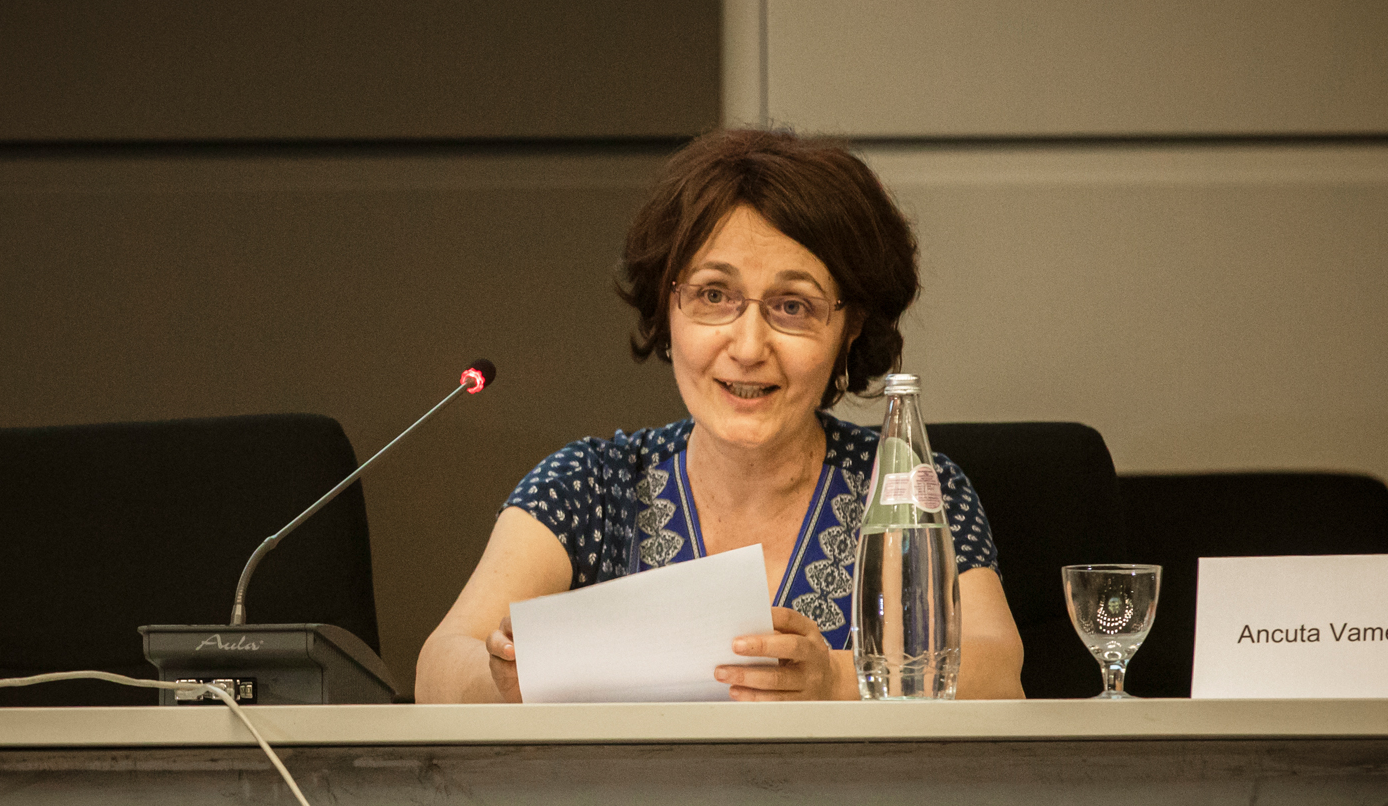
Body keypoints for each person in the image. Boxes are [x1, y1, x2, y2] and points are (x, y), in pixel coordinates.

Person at [416, 128, 1025, 703]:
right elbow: (439, 665)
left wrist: (834, 680)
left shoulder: (907, 484)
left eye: (793, 306)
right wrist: (507, 680)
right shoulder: (589, 485)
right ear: (668, 307)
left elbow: (999, 671)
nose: (749, 346)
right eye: (713, 295)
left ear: (851, 327)